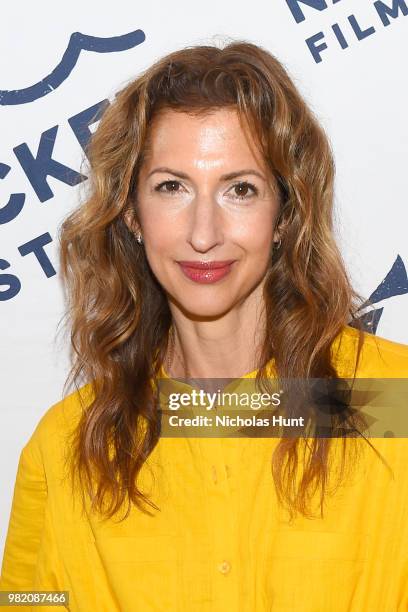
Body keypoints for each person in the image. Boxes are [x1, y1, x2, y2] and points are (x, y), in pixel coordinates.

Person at [1, 40, 408, 612]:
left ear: (285, 215)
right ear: (132, 214)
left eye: (240, 189)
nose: (203, 232)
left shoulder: (395, 401)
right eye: (172, 187)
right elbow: (29, 601)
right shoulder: (69, 443)